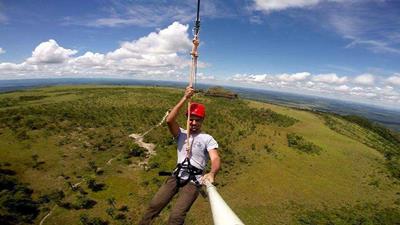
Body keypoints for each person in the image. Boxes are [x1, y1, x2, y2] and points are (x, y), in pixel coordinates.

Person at [139, 86, 221, 225]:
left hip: (193, 181)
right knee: (154, 206)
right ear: (187, 119)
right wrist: (185, 98)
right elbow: (170, 120)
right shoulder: (181, 134)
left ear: (202, 121)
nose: (194, 123)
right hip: (176, 176)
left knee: (176, 216)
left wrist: (212, 173)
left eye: (197, 120)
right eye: (191, 119)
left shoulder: (207, 138)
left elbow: (215, 158)